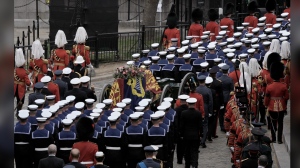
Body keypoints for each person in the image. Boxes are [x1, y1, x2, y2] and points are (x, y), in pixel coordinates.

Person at [264, 62, 289, 143]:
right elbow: (287, 97)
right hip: (282, 105)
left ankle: (274, 138)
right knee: (280, 123)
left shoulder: (269, 87)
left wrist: (266, 104)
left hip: (271, 105)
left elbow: (267, 98)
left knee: (272, 122)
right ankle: (279, 139)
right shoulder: (284, 85)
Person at [180, 98, 202, 168]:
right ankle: (195, 165)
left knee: (187, 152)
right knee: (195, 151)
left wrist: (181, 134)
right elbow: (200, 125)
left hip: (186, 136)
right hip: (195, 136)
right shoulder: (198, 113)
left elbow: (182, 126)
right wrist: (201, 134)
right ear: (195, 104)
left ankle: (187, 165)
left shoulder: (184, 113)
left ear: (187, 104)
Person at [196, 75, 213, 148]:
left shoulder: (196, 90)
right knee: (205, 125)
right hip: (205, 107)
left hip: (197, 108)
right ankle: (203, 140)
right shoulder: (208, 90)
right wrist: (210, 111)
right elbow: (210, 101)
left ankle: (198, 138)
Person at [218, 65, 234, 132]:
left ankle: (222, 126)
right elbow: (232, 90)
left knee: (221, 113)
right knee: (227, 112)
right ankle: (227, 125)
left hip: (221, 97)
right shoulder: (230, 79)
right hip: (227, 97)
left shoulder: (219, 79)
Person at [209, 66, 224, 138]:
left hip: (208, 101)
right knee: (215, 118)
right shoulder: (218, 83)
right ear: (215, 74)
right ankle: (213, 133)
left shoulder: (208, 82)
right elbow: (221, 94)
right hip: (216, 101)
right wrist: (222, 103)